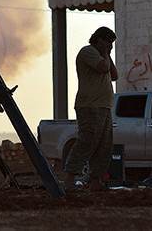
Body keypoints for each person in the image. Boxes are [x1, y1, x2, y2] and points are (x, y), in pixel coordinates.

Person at [64, 27, 118, 191]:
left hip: (104, 106)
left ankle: (96, 180)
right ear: (99, 39)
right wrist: (105, 54)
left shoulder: (104, 56)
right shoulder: (88, 52)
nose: (110, 46)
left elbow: (114, 75)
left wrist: (107, 54)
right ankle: (70, 179)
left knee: (104, 145)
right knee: (87, 142)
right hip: (89, 106)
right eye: (108, 42)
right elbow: (102, 67)